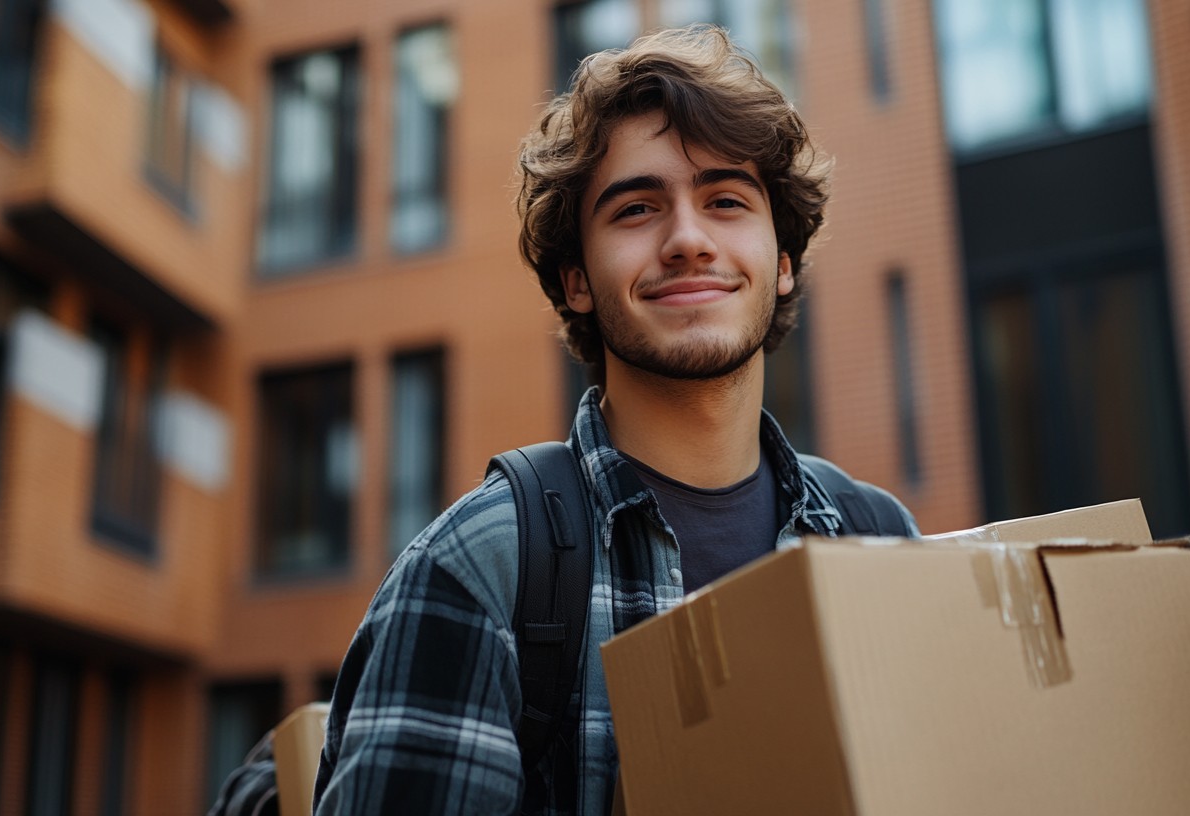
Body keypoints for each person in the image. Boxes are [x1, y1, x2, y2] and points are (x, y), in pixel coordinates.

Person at [312, 24, 916, 816]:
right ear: (578, 283)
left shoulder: (880, 541)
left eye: (726, 200)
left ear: (784, 260)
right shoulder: (480, 571)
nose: (688, 240)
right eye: (637, 209)